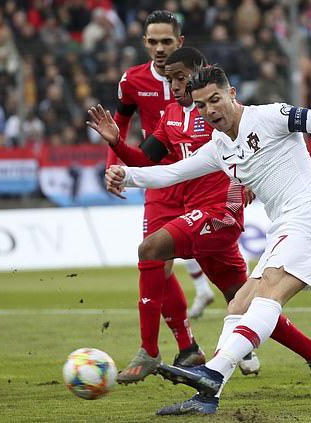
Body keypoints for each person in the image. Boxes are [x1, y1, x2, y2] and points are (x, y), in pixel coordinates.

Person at [105, 64, 311, 414]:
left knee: (268, 294)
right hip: (283, 226)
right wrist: (127, 176)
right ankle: (208, 396)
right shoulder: (218, 147)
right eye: (202, 105)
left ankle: (212, 373)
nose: (210, 111)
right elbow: (173, 172)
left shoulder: (271, 116)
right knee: (239, 305)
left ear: (232, 94)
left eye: (215, 100)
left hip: (310, 218)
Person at [92, 49, 311, 414]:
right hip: (194, 211)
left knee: (152, 248)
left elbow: (247, 152)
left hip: (219, 213)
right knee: (243, 301)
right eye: (171, 78)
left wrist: (242, 189)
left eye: (181, 77)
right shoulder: (170, 117)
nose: (176, 85)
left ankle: (158, 349)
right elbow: (152, 163)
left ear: (202, 76)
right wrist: (117, 146)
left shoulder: (216, 111)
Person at [105, 10, 217, 384]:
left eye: (166, 42)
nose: (158, 49)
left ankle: (241, 338)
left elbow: (233, 124)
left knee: (224, 270)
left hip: (204, 183)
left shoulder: (204, 79)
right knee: (155, 260)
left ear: (179, 43)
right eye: (152, 42)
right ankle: (175, 347)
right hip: (157, 177)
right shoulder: (132, 80)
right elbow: (119, 124)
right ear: (144, 43)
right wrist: (115, 165)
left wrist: (243, 176)